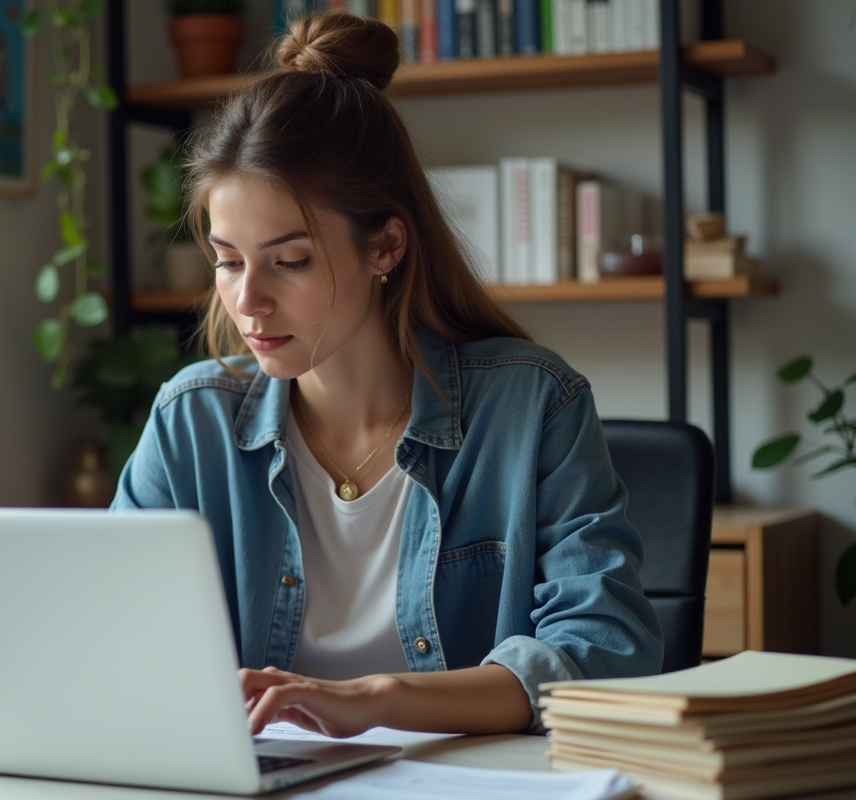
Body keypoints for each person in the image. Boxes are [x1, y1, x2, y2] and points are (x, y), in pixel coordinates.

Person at [111, 11, 663, 737]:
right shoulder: (190, 423)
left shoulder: (533, 407)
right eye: (227, 260)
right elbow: (114, 647)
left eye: (290, 260)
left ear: (386, 247)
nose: (248, 300)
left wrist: (378, 701)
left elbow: (605, 651)